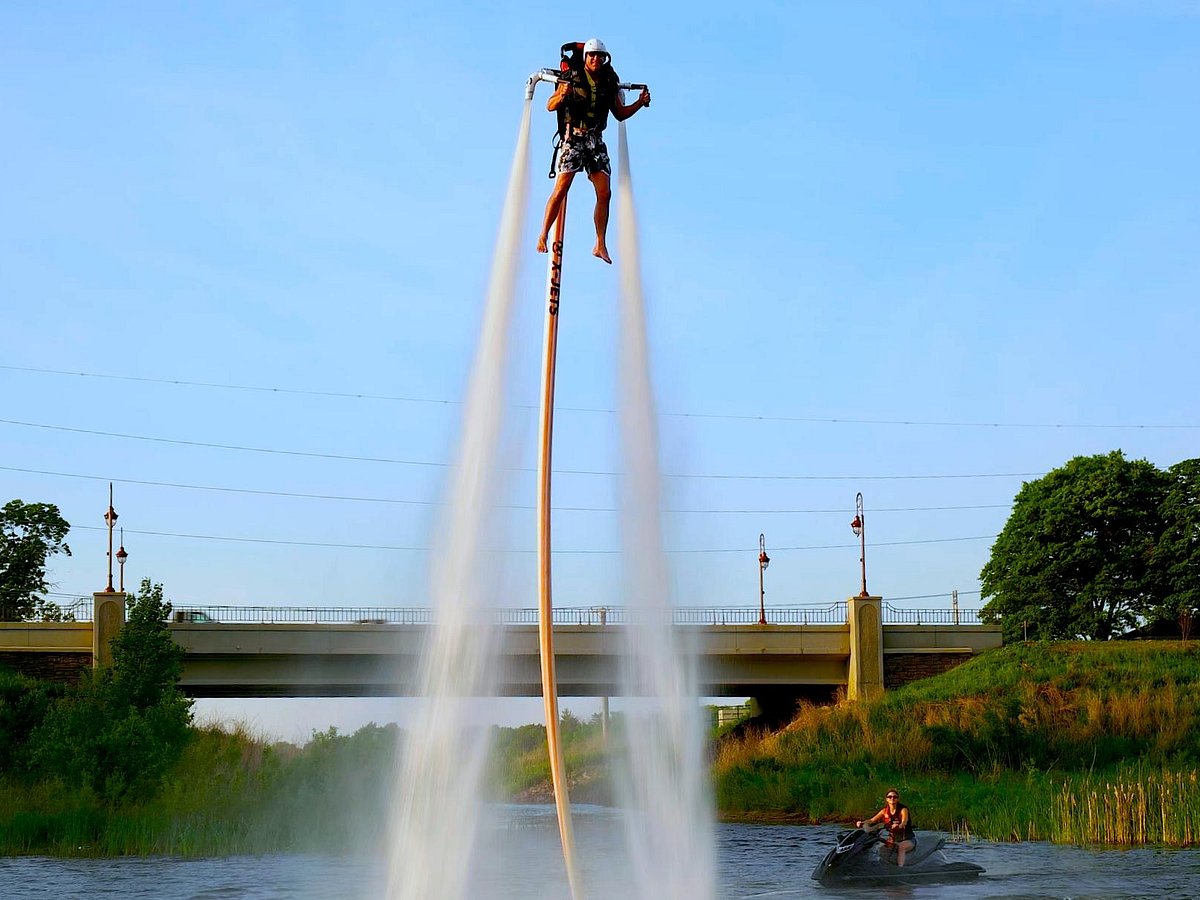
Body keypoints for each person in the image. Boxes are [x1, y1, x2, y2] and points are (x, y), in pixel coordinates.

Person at [536, 38, 651, 264]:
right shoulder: (571, 77)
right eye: (592, 55)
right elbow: (550, 105)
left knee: (605, 193)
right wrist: (562, 94)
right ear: (586, 57)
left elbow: (619, 113)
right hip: (574, 137)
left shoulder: (609, 82)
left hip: (595, 139)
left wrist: (639, 103)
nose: (595, 59)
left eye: (600, 56)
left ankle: (600, 243)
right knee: (561, 188)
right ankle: (543, 234)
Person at [857, 789, 917, 866]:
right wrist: (861, 823)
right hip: (893, 840)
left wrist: (898, 826)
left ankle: (900, 868)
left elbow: (904, 822)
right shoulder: (884, 811)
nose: (892, 798)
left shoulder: (903, 810)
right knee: (878, 847)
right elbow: (872, 820)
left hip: (908, 840)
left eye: (895, 797)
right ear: (886, 799)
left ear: (897, 799)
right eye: (890, 797)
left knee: (901, 847)